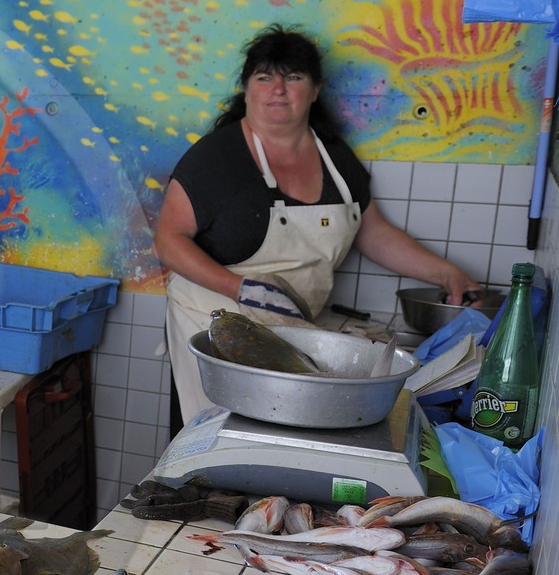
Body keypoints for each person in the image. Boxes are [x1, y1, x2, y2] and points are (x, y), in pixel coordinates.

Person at [154, 25, 480, 424]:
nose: (278, 88)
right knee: (220, 434)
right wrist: (240, 288)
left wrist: (447, 274)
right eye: (264, 77)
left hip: (289, 323)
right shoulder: (216, 158)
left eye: (293, 77)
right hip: (213, 317)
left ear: (315, 89)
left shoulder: (335, 157)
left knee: (281, 427)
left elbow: (372, 232)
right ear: (246, 88)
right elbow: (168, 241)